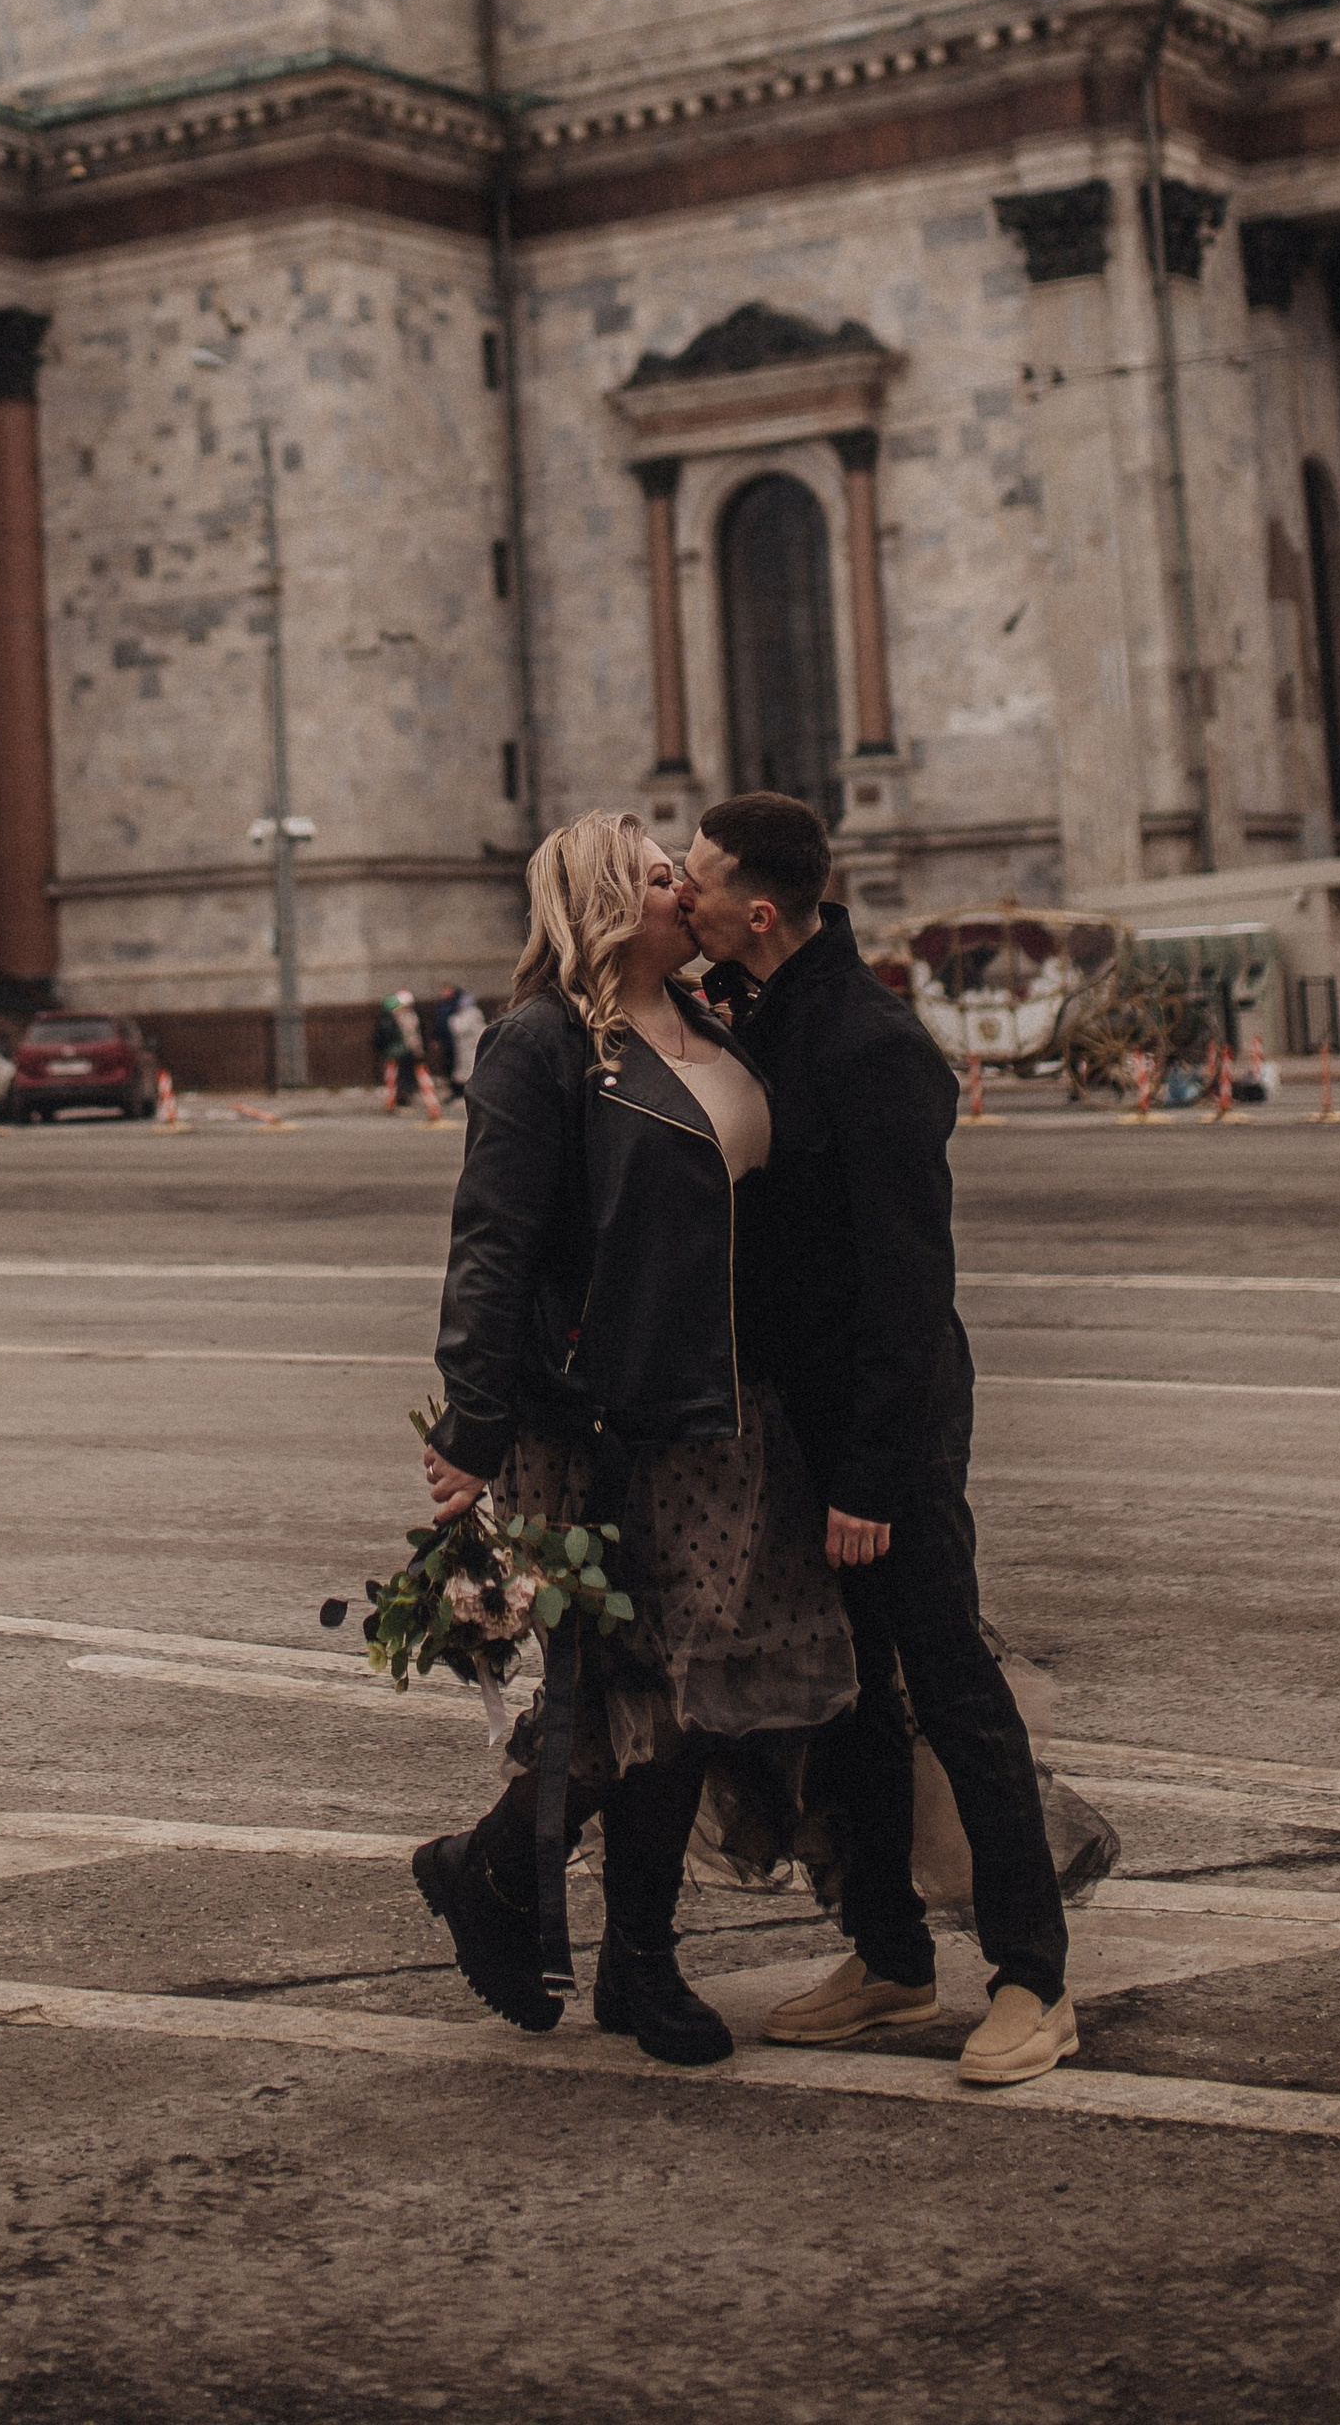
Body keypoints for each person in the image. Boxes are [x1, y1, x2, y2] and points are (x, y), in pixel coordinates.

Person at [413, 811, 855, 2067]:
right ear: (609, 906)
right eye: (665, 879)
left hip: (727, 1412)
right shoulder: (541, 1046)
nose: (689, 896)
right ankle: (630, 1960)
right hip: (604, 1422)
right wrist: (472, 1424)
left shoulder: (711, 1024)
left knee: (690, 1695)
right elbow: (490, 1242)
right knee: (640, 1692)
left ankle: (496, 1874)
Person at [678, 788, 1077, 2091]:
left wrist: (871, 1471)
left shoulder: (869, 1045)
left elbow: (911, 1289)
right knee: (851, 1699)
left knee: (952, 1685)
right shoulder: (767, 1020)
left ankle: (1031, 1977)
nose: (678, 889)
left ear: (756, 906)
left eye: (695, 873)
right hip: (807, 1425)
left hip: (887, 1428)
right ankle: (892, 1956)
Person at [383, 987, 442, 1120]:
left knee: (418, 1078)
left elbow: (413, 1036)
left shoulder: (406, 1017)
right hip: (408, 1052)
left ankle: (430, 1106)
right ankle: (405, 1101)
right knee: (406, 1078)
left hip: (411, 1052)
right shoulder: (399, 1018)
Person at [441, 981, 486, 1092]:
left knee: (467, 1070)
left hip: (469, 1046)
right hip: (465, 1047)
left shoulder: (470, 1014)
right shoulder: (472, 1014)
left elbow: (459, 1028)